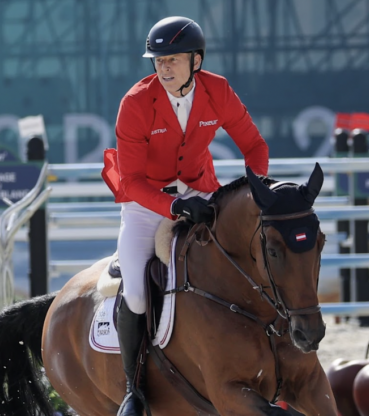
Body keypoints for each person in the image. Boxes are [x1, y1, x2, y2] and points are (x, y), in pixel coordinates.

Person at [101, 16, 269, 416]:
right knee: (138, 291)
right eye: (157, 60)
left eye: (172, 59)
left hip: (201, 188)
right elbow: (133, 180)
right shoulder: (136, 103)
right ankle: (133, 389)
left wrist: (256, 191)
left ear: (196, 60)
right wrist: (173, 206)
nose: (162, 67)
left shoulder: (218, 90)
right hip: (146, 202)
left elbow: (255, 146)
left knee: (248, 259)